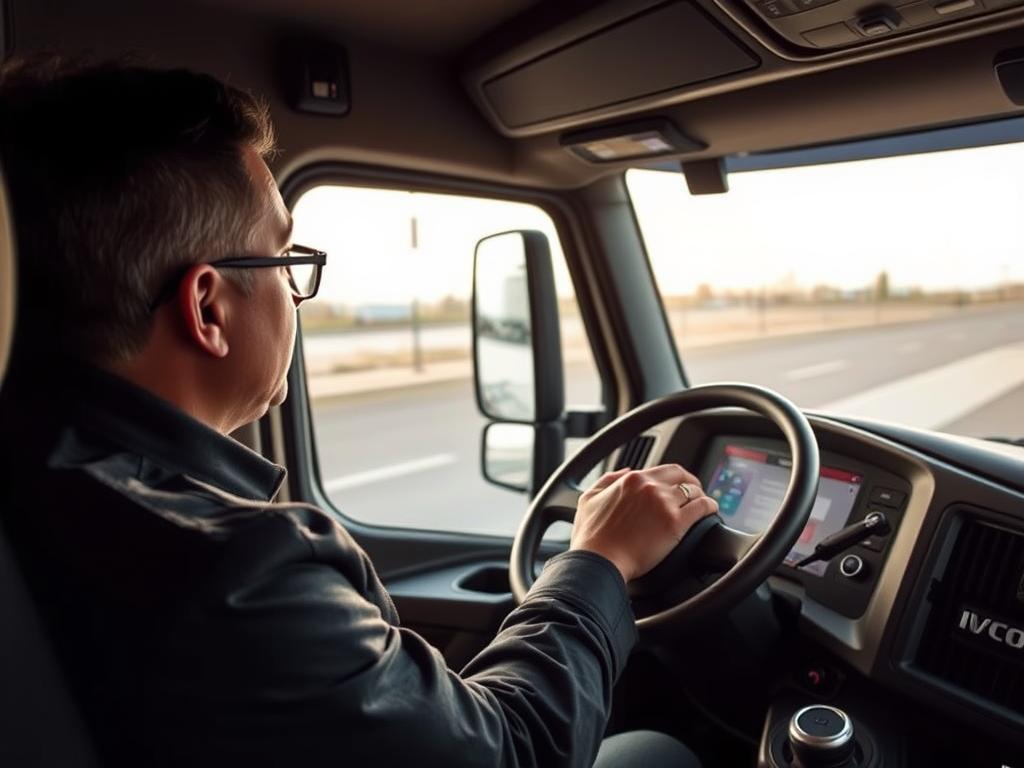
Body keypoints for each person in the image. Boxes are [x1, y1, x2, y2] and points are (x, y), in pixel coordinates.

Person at [0, 55, 718, 767]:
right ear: (209, 308)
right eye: (285, 259)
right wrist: (599, 558)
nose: (295, 294)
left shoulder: (40, 476)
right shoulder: (235, 574)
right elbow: (514, 752)